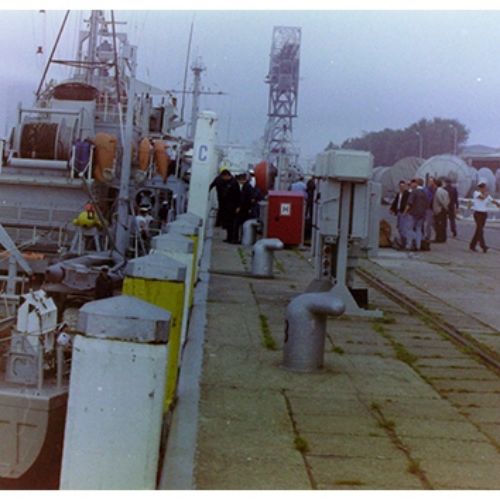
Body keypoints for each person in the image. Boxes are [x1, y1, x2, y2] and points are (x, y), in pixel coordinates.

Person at [469, 180, 500, 253]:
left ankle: (472, 245)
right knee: (480, 230)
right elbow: (482, 198)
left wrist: (498, 204)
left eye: (485, 188)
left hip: (484, 214)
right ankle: (483, 246)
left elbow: (493, 201)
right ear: (480, 188)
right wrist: (486, 194)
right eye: (484, 188)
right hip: (478, 213)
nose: (485, 189)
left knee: (478, 230)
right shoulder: (476, 193)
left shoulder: (487, 195)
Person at [217, 169, 241, 243]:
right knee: (228, 223)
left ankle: (232, 238)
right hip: (227, 206)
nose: (223, 179)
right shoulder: (227, 182)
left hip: (232, 206)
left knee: (232, 223)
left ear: (227, 175)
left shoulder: (234, 183)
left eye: (223, 177)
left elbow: (238, 195)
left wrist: (238, 206)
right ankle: (229, 237)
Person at [405, 178, 429, 251]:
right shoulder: (425, 193)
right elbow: (427, 204)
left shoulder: (414, 191)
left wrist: (405, 211)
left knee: (409, 229)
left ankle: (409, 245)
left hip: (413, 213)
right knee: (419, 229)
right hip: (422, 214)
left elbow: (409, 203)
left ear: (417, 183)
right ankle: (418, 245)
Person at [390, 180, 410, 249]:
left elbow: (408, 203)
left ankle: (404, 242)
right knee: (399, 226)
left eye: (403, 186)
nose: (402, 187)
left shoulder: (407, 194)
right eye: (400, 186)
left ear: (405, 186)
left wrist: (405, 211)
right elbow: (396, 202)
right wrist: (392, 209)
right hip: (398, 211)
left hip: (403, 212)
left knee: (403, 227)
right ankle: (401, 240)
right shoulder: (399, 194)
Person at [432, 178, 450, 243]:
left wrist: (444, 206)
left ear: (436, 184)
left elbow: (440, 200)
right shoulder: (445, 191)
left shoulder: (438, 191)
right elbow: (448, 200)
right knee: (443, 224)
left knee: (438, 225)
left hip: (439, 209)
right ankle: (443, 238)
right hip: (444, 210)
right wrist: (446, 206)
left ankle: (438, 238)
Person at [423, 176, 436, 241]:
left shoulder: (434, 190)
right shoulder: (425, 189)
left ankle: (428, 236)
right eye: (429, 181)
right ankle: (426, 235)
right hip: (425, 208)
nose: (430, 182)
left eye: (431, 181)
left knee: (429, 223)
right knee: (426, 223)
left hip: (431, 208)